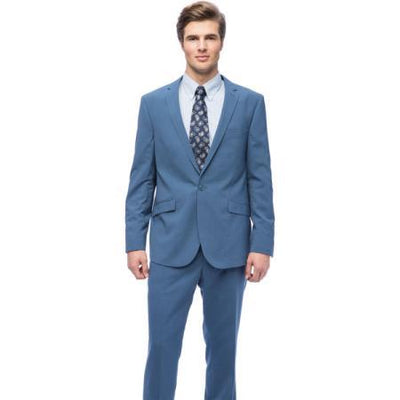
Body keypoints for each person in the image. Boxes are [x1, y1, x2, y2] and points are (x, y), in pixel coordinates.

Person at [125, 1, 275, 398]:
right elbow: (142, 178)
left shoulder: (250, 103)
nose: (202, 46)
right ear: (182, 43)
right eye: (193, 38)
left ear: (222, 41)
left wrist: (262, 243)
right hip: (170, 243)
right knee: (162, 348)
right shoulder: (153, 104)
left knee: (223, 352)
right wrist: (135, 241)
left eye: (210, 37)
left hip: (230, 245)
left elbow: (260, 178)